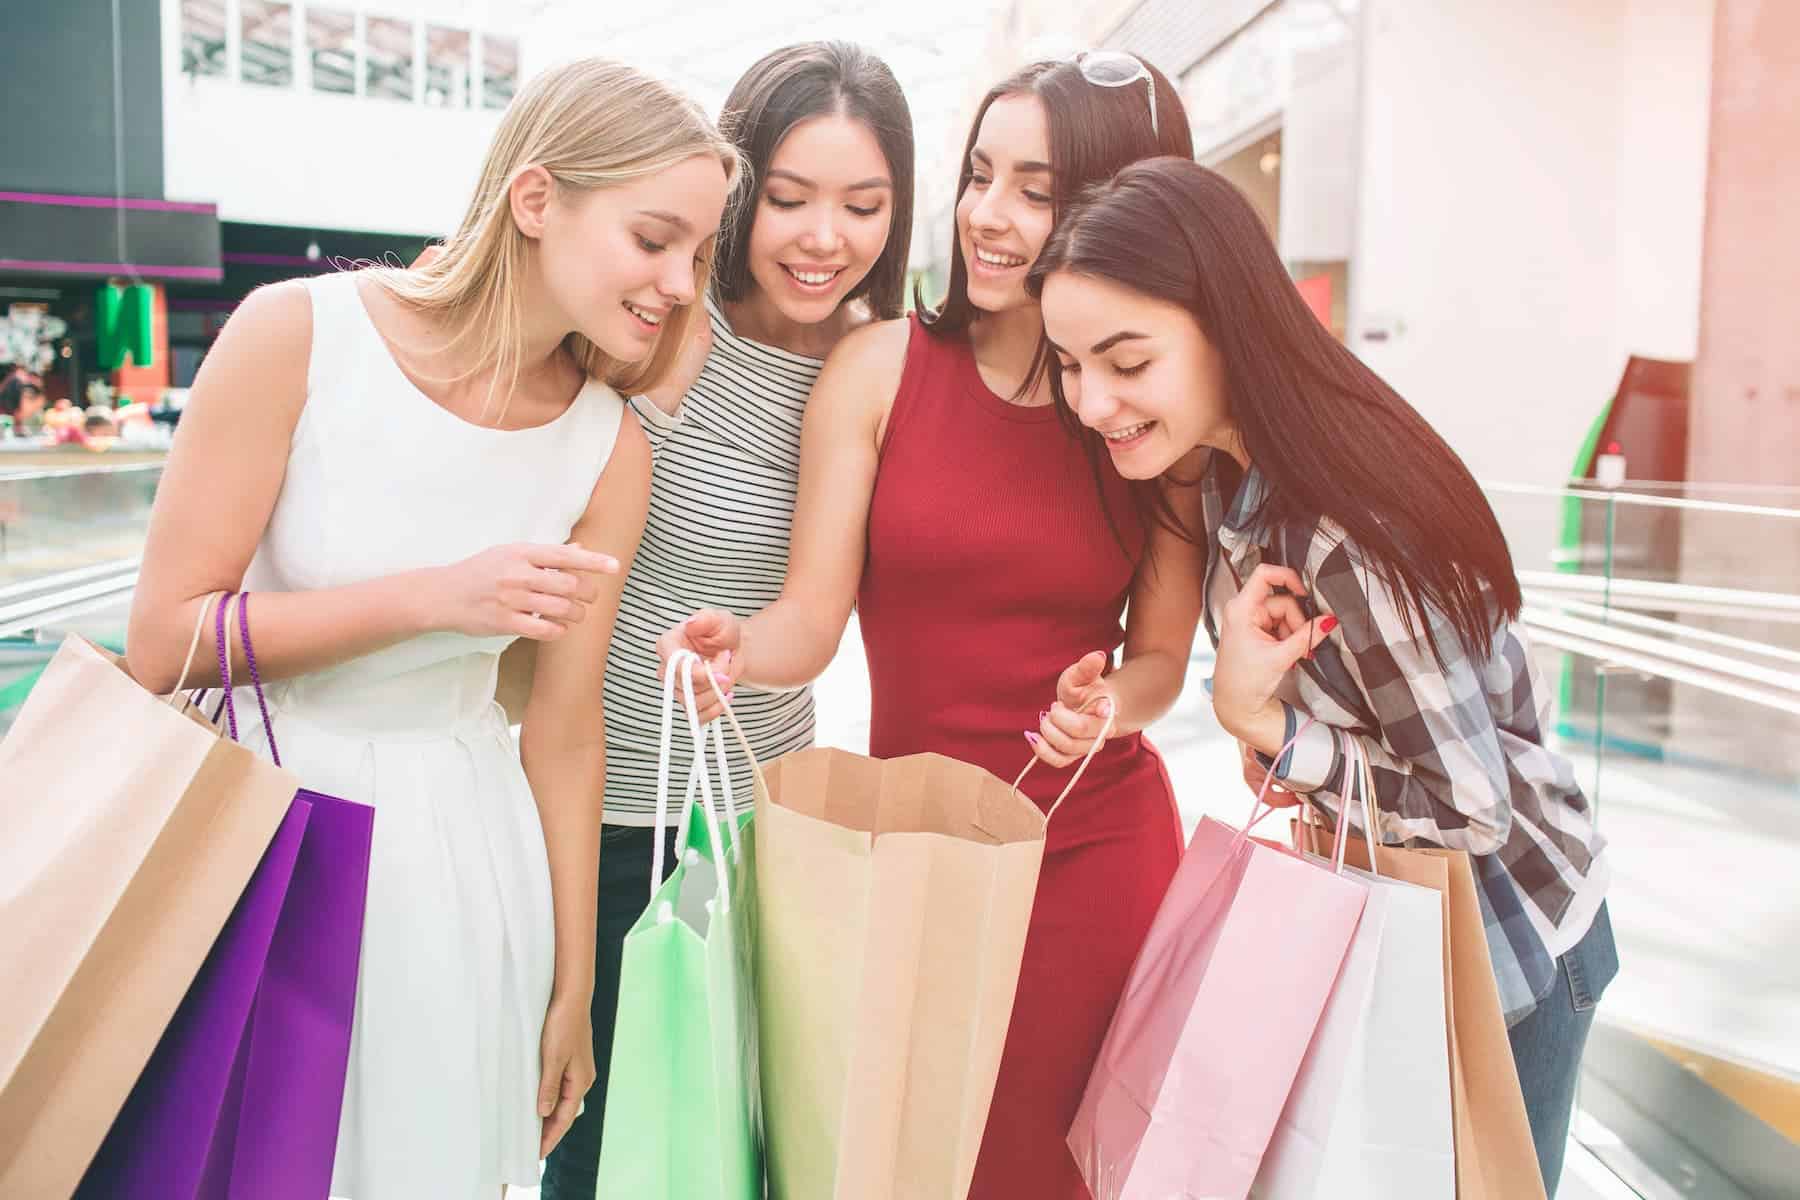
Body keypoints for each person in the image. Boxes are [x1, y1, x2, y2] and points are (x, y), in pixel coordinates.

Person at [125, 58, 738, 1198]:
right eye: (656, 239)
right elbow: (164, 640)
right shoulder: (295, 334)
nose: (677, 283)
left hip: (462, 858)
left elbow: (564, 731)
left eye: (698, 255)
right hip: (265, 820)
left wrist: (570, 986)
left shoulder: (610, 447)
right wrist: (433, 598)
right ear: (537, 198)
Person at [661, 55, 1204, 1199]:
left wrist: (1111, 706)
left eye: (1037, 190)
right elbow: (812, 615)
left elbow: (1162, 656)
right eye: (978, 175)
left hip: (1093, 847)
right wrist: (741, 650)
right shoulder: (875, 368)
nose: (990, 218)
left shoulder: (1143, 410)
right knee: (909, 1162)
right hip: (908, 854)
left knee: (1057, 1170)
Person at [1030, 156, 1616, 1196]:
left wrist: (1262, 723)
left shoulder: (1344, 531)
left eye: (1126, 361)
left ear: (1226, 326)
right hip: (1415, 931)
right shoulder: (1232, 478)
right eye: (1071, 364)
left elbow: (1470, 806)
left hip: (1509, 948)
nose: (1092, 402)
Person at [538, 40, 914, 1200]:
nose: (824, 238)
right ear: (737, 191)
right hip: (606, 819)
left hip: (759, 817)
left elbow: (814, 614)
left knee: (744, 1149)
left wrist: (741, 652)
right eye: (790, 199)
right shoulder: (663, 325)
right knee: (607, 1151)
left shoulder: (885, 366)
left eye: (863, 205)